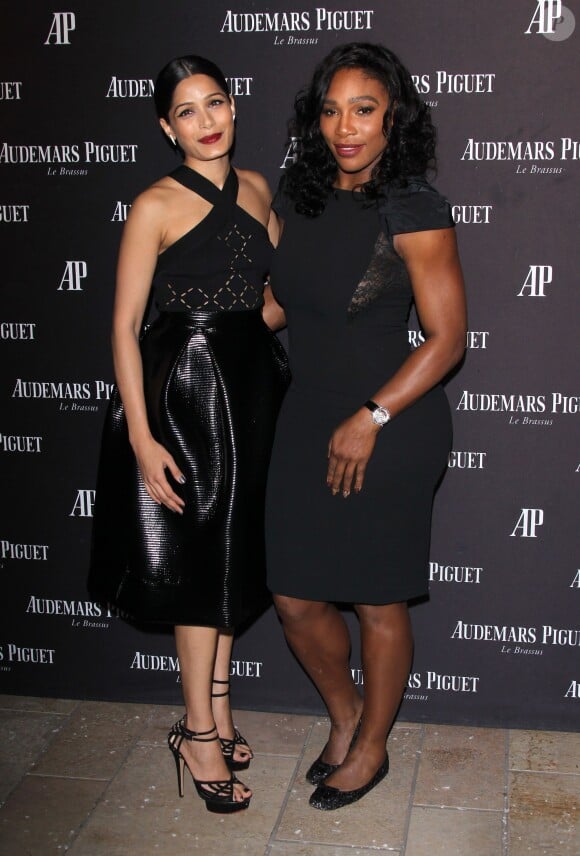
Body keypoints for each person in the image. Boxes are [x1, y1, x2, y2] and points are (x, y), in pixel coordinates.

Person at [264, 42, 467, 810]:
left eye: (364, 109)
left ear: (394, 118)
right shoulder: (299, 196)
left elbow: (447, 338)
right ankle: (345, 713)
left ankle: (373, 746)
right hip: (306, 415)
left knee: (378, 601)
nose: (345, 127)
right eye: (330, 109)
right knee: (294, 597)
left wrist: (372, 415)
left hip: (390, 423)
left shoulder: (413, 207)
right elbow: (285, 303)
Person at [89, 55, 289, 814]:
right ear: (166, 127)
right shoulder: (154, 204)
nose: (206, 121)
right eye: (187, 111)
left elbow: (270, 296)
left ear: (234, 109)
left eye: (216, 103)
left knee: (232, 557)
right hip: (184, 398)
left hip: (252, 391)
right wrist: (142, 438)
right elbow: (122, 324)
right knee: (201, 565)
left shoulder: (260, 190)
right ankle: (198, 734)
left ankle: (220, 710)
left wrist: (256, 322)